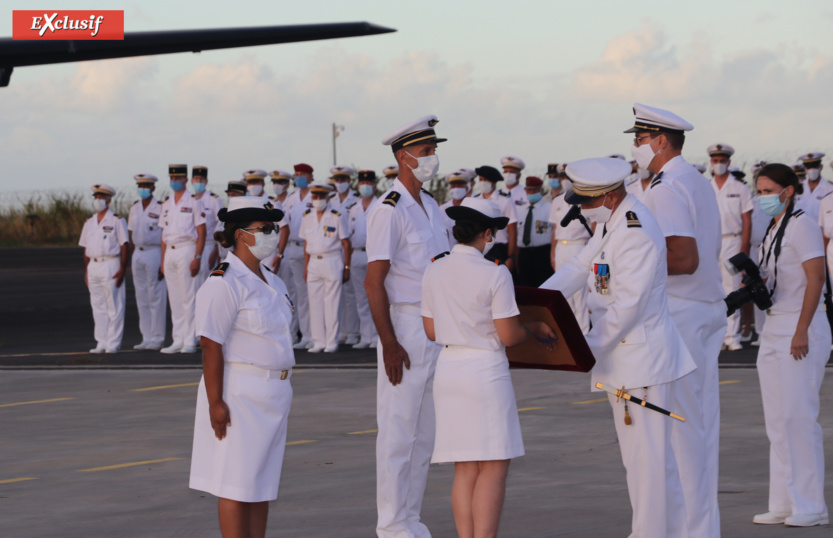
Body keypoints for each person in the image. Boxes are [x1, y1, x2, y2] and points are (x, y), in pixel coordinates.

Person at [540, 157, 695, 538]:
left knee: (648, 465)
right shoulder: (611, 222)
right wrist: (535, 302)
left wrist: (582, 348)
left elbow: (628, 305)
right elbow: (579, 266)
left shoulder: (635, 229)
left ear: (608, 195)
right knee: (647, 464)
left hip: (641, 361)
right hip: (623, 359)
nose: (582, 208)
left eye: (587, 201)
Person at [422, 197, 555, 538]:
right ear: (488, 233)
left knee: (465, 468)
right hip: (484, 372)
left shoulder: (434, 267)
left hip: (449, 369)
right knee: (493, 466)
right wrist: (536, 329)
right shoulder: (495, 273)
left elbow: (432, 331)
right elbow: (509, 335)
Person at [628, 103, 725, 538]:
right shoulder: (694, 180)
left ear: (660, 141)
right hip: (702, 310)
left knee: (680, 431)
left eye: (639, 139)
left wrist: (632, 261)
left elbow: (683, 258)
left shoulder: (666, 187)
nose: (635, 147)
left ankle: (691, 530)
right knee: (697, 426)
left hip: (682, 313)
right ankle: (700, 528)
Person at [365, 115, 451, 538]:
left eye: (435, 150)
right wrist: (389, 343)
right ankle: (391, 523)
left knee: (425, 432)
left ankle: (411, 518)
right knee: (399, 431)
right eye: (426, 151)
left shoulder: (432, 207)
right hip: (405, 325)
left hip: (436, 326)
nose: (433, 157)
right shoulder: (389, 210)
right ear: (403, 156)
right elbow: (373, 280)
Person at [189, 196, 294, 538]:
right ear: (240, 235)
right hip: (240, 393)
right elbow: (211, 345)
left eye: (274, 228)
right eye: (264, 229)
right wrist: (215, 402)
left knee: (260, 484)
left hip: (274, 393)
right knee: (235, 483)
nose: (272, 234)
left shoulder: (273, 282)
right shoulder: (223, 282)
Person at [752, 163, 830, 527]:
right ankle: (784, 501)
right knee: (778, 421)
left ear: (788, 190)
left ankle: (811, 505)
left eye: (768, 190)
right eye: (759, 190)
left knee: (799, 419)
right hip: (774, 326)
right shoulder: (772, 228)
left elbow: (817, 278)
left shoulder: (803, 225)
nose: (762, 196)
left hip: (802, 327)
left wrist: (801, 329)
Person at [707, 144, 752, 351]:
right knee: (711, 290)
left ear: (729, 162)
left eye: (722, 160)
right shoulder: (706, 187)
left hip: (733, 240)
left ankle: (732, 335)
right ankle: (716, 334)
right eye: (715, 161)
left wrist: (744, 248)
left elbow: (747, 220)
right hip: (710, 241)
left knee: (732, 288)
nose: (719, 164)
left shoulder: (739, 188)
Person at [160, 164, 207, 354]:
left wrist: (197, 256)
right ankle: (177, 339)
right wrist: (163, 259)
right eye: (172, 179)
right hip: (170, 250)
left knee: (189, 296)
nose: (174, 182)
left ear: (185, 180)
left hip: (187, 249)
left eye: (178, 178)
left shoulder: (194, 201)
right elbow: (163, 233)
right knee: (175, 298)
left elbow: (202, 231)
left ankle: (190, 340)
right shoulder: (166, 203)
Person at [301, 182, 351, 353]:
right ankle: (318, 341)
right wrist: (306, 266)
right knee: (314, 303)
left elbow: (346, 243)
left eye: (321, 196)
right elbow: (306, 243)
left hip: (332, 260)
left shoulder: (336, 216)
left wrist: (347, 267)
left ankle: (331, 342)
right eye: (315, 196)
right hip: (314, 261)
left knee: (332, 303)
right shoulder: (307, 216)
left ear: (328, 198)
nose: (318, 200)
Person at [79, 183, 128, 354]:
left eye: (101, 197)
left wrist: (123, 268)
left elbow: (124, 245)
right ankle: (101, 341)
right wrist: (86, 270)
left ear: (108, 200)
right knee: (98, 305)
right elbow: (86, 248)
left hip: (110, 263)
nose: (98, 200)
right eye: (96, 197)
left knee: (114, 305)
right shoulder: (89, 222)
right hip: (94, 265)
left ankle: (113, 342)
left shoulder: (117, 220)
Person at [548, 171, 593, 334]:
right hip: (561, 247)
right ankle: (566, 333)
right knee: (562, 293)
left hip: (579, 245)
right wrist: (552, 252)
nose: (564, 181)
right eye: (563, 177)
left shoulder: (584, 199)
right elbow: (555, 229)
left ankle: (584, 334)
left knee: (579, 295)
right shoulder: (557, 201)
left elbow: (593, 225)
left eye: (568, 178)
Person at [127, 174, 167, 351]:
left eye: (146, 186)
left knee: (156, 295)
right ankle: (146, 336)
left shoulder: (160, 207)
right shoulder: (134, 208)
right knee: (141, 296)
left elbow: (164, 232)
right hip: (138, 252)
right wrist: (132, 257)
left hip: (154, 251)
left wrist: (163, 260)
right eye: (140, 185)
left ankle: (157, 337)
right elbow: (130, 233)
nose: (142, 188)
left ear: (153, 188)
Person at [329, 165, 361, 346]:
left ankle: (353, 331)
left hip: (350, 248)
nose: (340, 183)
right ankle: (341, 330)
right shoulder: (330, 201)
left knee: (351, 294)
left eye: (343, 180)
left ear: (349, 181)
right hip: (333, 249)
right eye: (337, 180)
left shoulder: (355, 201)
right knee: (336, 295)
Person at [348, 170, 379, 349]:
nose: (365, 186)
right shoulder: (354, 208)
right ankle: (365, 337)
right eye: (361, 184)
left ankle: (376, 336)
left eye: (368, 183)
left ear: (375, 186)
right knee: (361, 298)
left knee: (375, 296)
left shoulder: (380, 205)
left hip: (373, 254)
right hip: (356, 254)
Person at [285, 163, 314, 349]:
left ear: (311, 176)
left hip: (311, 247)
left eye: (302, 174)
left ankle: (312, 336)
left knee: (311, 295)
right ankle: (299, 334)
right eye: (296, 174)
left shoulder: (316, 195)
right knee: (296, 294)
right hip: (292, 247)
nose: (299, 177)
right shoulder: (290, 198)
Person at [473, 165, 518, 270]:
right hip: (479, 247)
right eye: (480, 179)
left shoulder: (505, 200)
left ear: (493, 181)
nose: (482, 182)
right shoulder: (475, 200)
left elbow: (512, 232)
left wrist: (511, 256)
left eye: (485, 180)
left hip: (499, 248)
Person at [515, 176, 553, 287]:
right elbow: (517, 235)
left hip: (543, 254)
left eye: (535, 190)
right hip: (524, 254)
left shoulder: (549, 208)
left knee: (544, 287)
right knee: (526, 287)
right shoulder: (519, 210)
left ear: (541, 190)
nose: (532, 193)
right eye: (529, 190)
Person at [191, 165, 221, 284]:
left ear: (206, 181)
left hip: (208, 246)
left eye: (201, 179)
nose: (199, 182)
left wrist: (216, 250)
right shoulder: (190, 199)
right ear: (192, 181)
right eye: (196, 179)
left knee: (208, 283)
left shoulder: (213, 199)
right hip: (191, 246)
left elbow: (220, 225)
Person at [795, 152, 831, 222]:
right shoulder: (798, 188)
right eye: (809, 167)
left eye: (815, 166)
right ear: (805, 169)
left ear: (821, 167)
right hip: (801, 229)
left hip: (820, 231)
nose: (812, 169)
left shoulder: (830, 188)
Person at [439, 170, 471, 247]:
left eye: (460, 185)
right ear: (450, 188)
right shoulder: (442, 209)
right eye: (454, 186)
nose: (456, 188)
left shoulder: (473, 207)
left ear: (466, 188)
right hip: (449, 253)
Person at [217, 180, 246, 262]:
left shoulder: (246, 216)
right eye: (229, 195)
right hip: (223, 260)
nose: (230, 197)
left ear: (243, 195)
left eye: (233, 195)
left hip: (239, 261)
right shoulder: (224, 215)